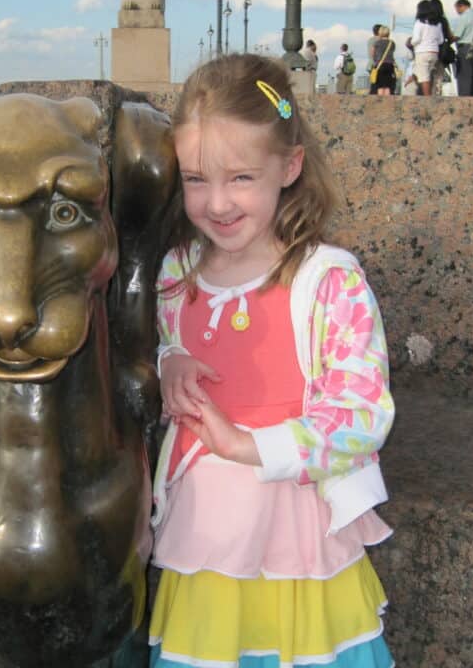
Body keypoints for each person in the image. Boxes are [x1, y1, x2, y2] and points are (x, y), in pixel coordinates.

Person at [149, 53, 396, 668]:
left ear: (288, 167)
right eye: (195, 179)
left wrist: (253, 447)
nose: (217, 203)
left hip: (294, 530)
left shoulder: (327, 281)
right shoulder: (177, 271)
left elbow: (363, 414)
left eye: (240, 178)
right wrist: (169, 361)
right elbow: (159, 343)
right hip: (201, 534)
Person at [406, 0, 444, 96]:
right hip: (434, 52)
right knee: (427, 74)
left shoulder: (419, 23)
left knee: (424, 77)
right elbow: (441, 40)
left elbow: (416, 39)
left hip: (422, 52)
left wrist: (410, 42)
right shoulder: (438, 24)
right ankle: (426, 93)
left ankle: (427, 98)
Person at [452, 0, 473, 96]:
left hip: (465, 47)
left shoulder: (464, 17)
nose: (457, 12)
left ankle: (464, 97)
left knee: (464, 75)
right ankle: (472, 97)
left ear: (461, 6)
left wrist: (448, 39)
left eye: (457, 9)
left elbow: (457, 35)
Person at [369, 25, 396, 96]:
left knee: (380, 86)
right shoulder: (392, 43)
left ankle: (381, 104)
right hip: (390, 65)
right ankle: (387, 103)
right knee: (387, 86)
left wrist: (376, 60)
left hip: (380, 66)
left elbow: (372, 54)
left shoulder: (377, 43)